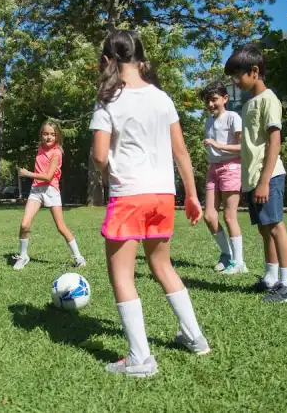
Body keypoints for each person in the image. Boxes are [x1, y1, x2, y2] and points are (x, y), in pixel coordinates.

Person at [90, 29, 210, 378]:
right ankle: (195, 338)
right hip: (162, 195)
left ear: (107, 60)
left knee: (122, 275)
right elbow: (181, 152)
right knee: (162, 266)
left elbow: (99, 155)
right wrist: (191, 195)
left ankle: (140, 359)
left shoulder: (108, 100)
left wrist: (104, 166)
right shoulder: (163, 98)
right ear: (139, 58)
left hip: (128, 194)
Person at [224, 44, 287, 303]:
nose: (235, 81)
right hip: (252, 178)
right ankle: (271, 278)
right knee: (264, 230)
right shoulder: (248, 105)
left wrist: (264, 181)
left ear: (254, 71)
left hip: (267, 176)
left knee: (276, 227)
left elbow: (274, 143)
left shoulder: (269, 100)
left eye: (238, 75)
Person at [12, 121, 87, 270]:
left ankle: (78, 258)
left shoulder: (57, 152)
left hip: (51, 190)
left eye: (52, 134)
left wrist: (28, 174)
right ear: (41, 135)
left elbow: (48, 176)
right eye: (46, 133)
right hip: (36, 190)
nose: (49, 137)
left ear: (57, 136)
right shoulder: (40, 148)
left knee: (61, 227)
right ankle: (23, 255)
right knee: (24, 225)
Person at [200, 81, 246, 274]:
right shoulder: (209, 121)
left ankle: (239, 263)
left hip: (231, 168)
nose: (211, 104)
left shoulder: (233, 117)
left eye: (214, 99)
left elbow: (243, 147)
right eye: (207, 101)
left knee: (229, 216)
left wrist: (218, 145)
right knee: (209, 216)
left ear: (225, 98)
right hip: (214, 169)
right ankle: (227, 255)